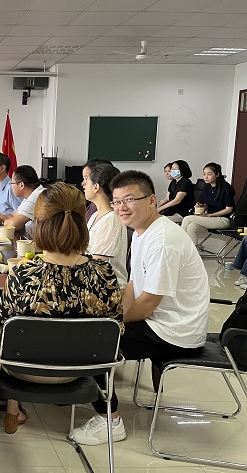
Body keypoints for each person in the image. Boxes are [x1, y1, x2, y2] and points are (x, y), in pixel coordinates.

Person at [72, 170, 209, 446]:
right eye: (117, 201)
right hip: (161, 321)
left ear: (152, 201)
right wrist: (111, 314)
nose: (122, 207)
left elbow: (146, 305)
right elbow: (134, 285)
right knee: (93, 327)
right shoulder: (141, 232)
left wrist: (109, 324)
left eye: (130, 200)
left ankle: (110, 422)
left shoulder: (164, 241)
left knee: (93, 343)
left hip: (175, 332)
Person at [0, 182, 122, 434]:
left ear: (39, 225)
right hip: (81, 371)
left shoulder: (23, 274)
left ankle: (13, 411)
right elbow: (116, 330)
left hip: (22, 372)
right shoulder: (104, 274)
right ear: (83, 224)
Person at [82, 161, 128, 288]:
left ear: (96, 187)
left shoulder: (112, 219)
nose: (83, 184)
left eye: (86, 179)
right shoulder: (95, 215)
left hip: (108, 288)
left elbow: (98, 264)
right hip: (92, 283)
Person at [181, 162, 235, 246]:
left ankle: (179, 245)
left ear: (217, 175)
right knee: (192, 227)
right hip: (210, 218)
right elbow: (206, 204)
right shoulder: (207, 186)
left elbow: (229, 209)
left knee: (187, 219)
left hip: (224, 220)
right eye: (204, 174)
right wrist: (201, 206)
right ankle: (193, 250)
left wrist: (209, 215)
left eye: (209, 174)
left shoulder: (226, 188)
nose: (206, 177)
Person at [3, 165, 44, 236]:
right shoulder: (29, 196)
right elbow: (13, 216)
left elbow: (13, 225)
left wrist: (4, 222)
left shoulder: (38, 196)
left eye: (12, 183)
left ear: (21, 185)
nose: (11, 186)